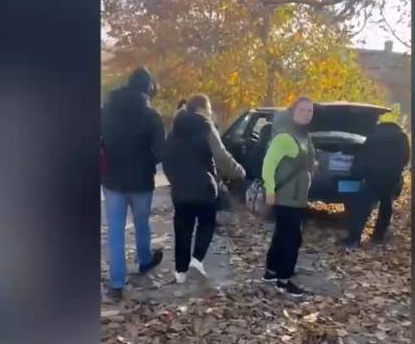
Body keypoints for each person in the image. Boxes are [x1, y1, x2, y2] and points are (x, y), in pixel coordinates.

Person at [162, 94, 245, 284]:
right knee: (207, 222)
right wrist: (239, 171)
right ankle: (197, 260)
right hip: (203, 186)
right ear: (201, 108)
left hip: (180, 188)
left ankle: (180, 272)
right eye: (208, 109)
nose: (210, 112)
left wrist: (174, 179)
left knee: (182, 227)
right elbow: (221, 156)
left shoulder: (174, 129)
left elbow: (165, 157)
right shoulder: (206, 126)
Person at [101, 67, 165, 301]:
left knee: (115, 232)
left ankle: (117, 283)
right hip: (141, 182)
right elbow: (159, 154)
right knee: (141, 224)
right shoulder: (152, 116)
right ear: (148, 88)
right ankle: (144, 261)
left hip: (111, 181)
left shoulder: (105, 111)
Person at [261, 97, 316, 297]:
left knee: (282, 235)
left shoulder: (304, 135)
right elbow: (268, 164)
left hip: (297, 197)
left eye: (310, 111)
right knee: (292, 239)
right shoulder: (284, 137)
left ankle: (271, 272)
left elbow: (309, 161)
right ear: (293, 112)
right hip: (285, 197)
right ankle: (284, 281)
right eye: (302, 110)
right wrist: (270, 189)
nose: (307, 114)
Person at [342, 122, 410, 249]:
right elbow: (405, 158)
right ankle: (378, 236)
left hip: (372, 179)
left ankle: (354, 239)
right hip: (391, 179)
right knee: (386, 208)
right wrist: (397, 172)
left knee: (361, 208)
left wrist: (356, 174)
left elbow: (363, 158)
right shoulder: (402, 138)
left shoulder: (373, 136)